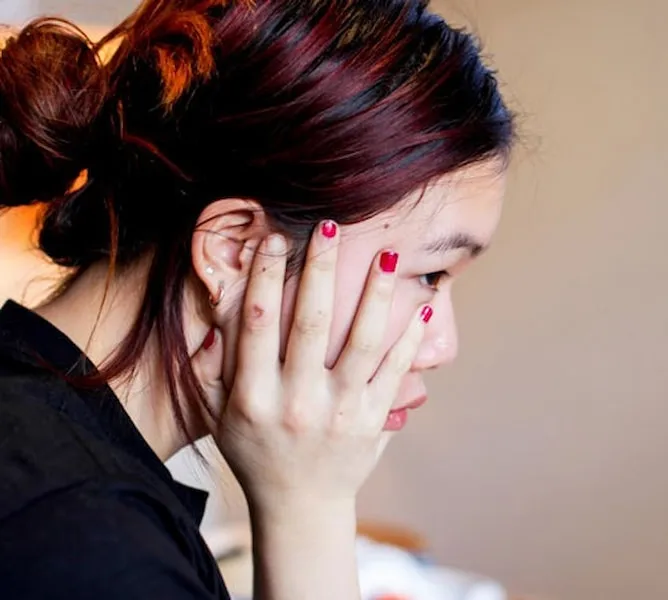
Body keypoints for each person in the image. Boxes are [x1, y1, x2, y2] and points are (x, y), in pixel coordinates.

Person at [0, 0, 514, 598]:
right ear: (236, 250)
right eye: (431, 274)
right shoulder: (91, 548)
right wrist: (309, 504)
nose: (442, 344)